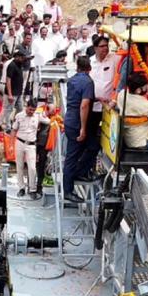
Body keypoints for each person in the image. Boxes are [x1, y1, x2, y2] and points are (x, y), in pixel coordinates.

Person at [61, 53, 96, 202]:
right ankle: (68, 190)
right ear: (89, 68)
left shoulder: (73, 80)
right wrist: (83, 128)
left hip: (70, 119)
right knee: (74, 155)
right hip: (77, 122)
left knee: (90, 147)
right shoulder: (88, 82)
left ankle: (78, 172)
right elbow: (84, 105)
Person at [12, 95, 43, 197]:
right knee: (19, 166)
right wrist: (12, 145)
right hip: (20, 142)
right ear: (26, 107)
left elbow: (48, 120)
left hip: (31, 144)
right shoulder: (19, 116)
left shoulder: (38, 116)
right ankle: (21, 188)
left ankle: (32, 189)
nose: (31, 112)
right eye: (30, 109)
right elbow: (14, 130)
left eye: (33, 110)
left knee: (32, 168)